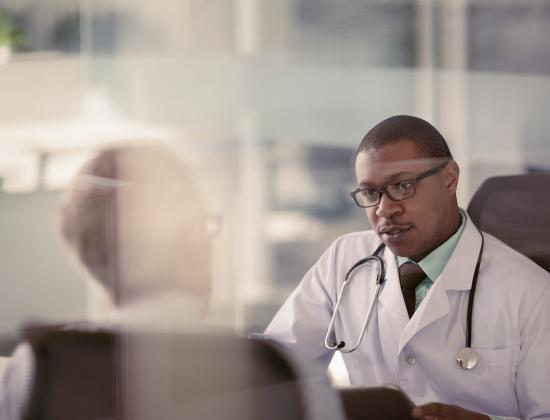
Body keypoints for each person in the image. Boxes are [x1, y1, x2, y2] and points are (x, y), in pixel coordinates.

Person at [0, 145, 346, 420]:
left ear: (90, 258)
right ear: (189, 241)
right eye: (205, 227)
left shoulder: (36, 368)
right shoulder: (283, 374)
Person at [264, 115, 550, 420]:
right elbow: (273, 369)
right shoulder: (345, 261)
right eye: (370, 193)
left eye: (402, 186)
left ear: (449, 178)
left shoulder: (531, 291)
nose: (384, 209)